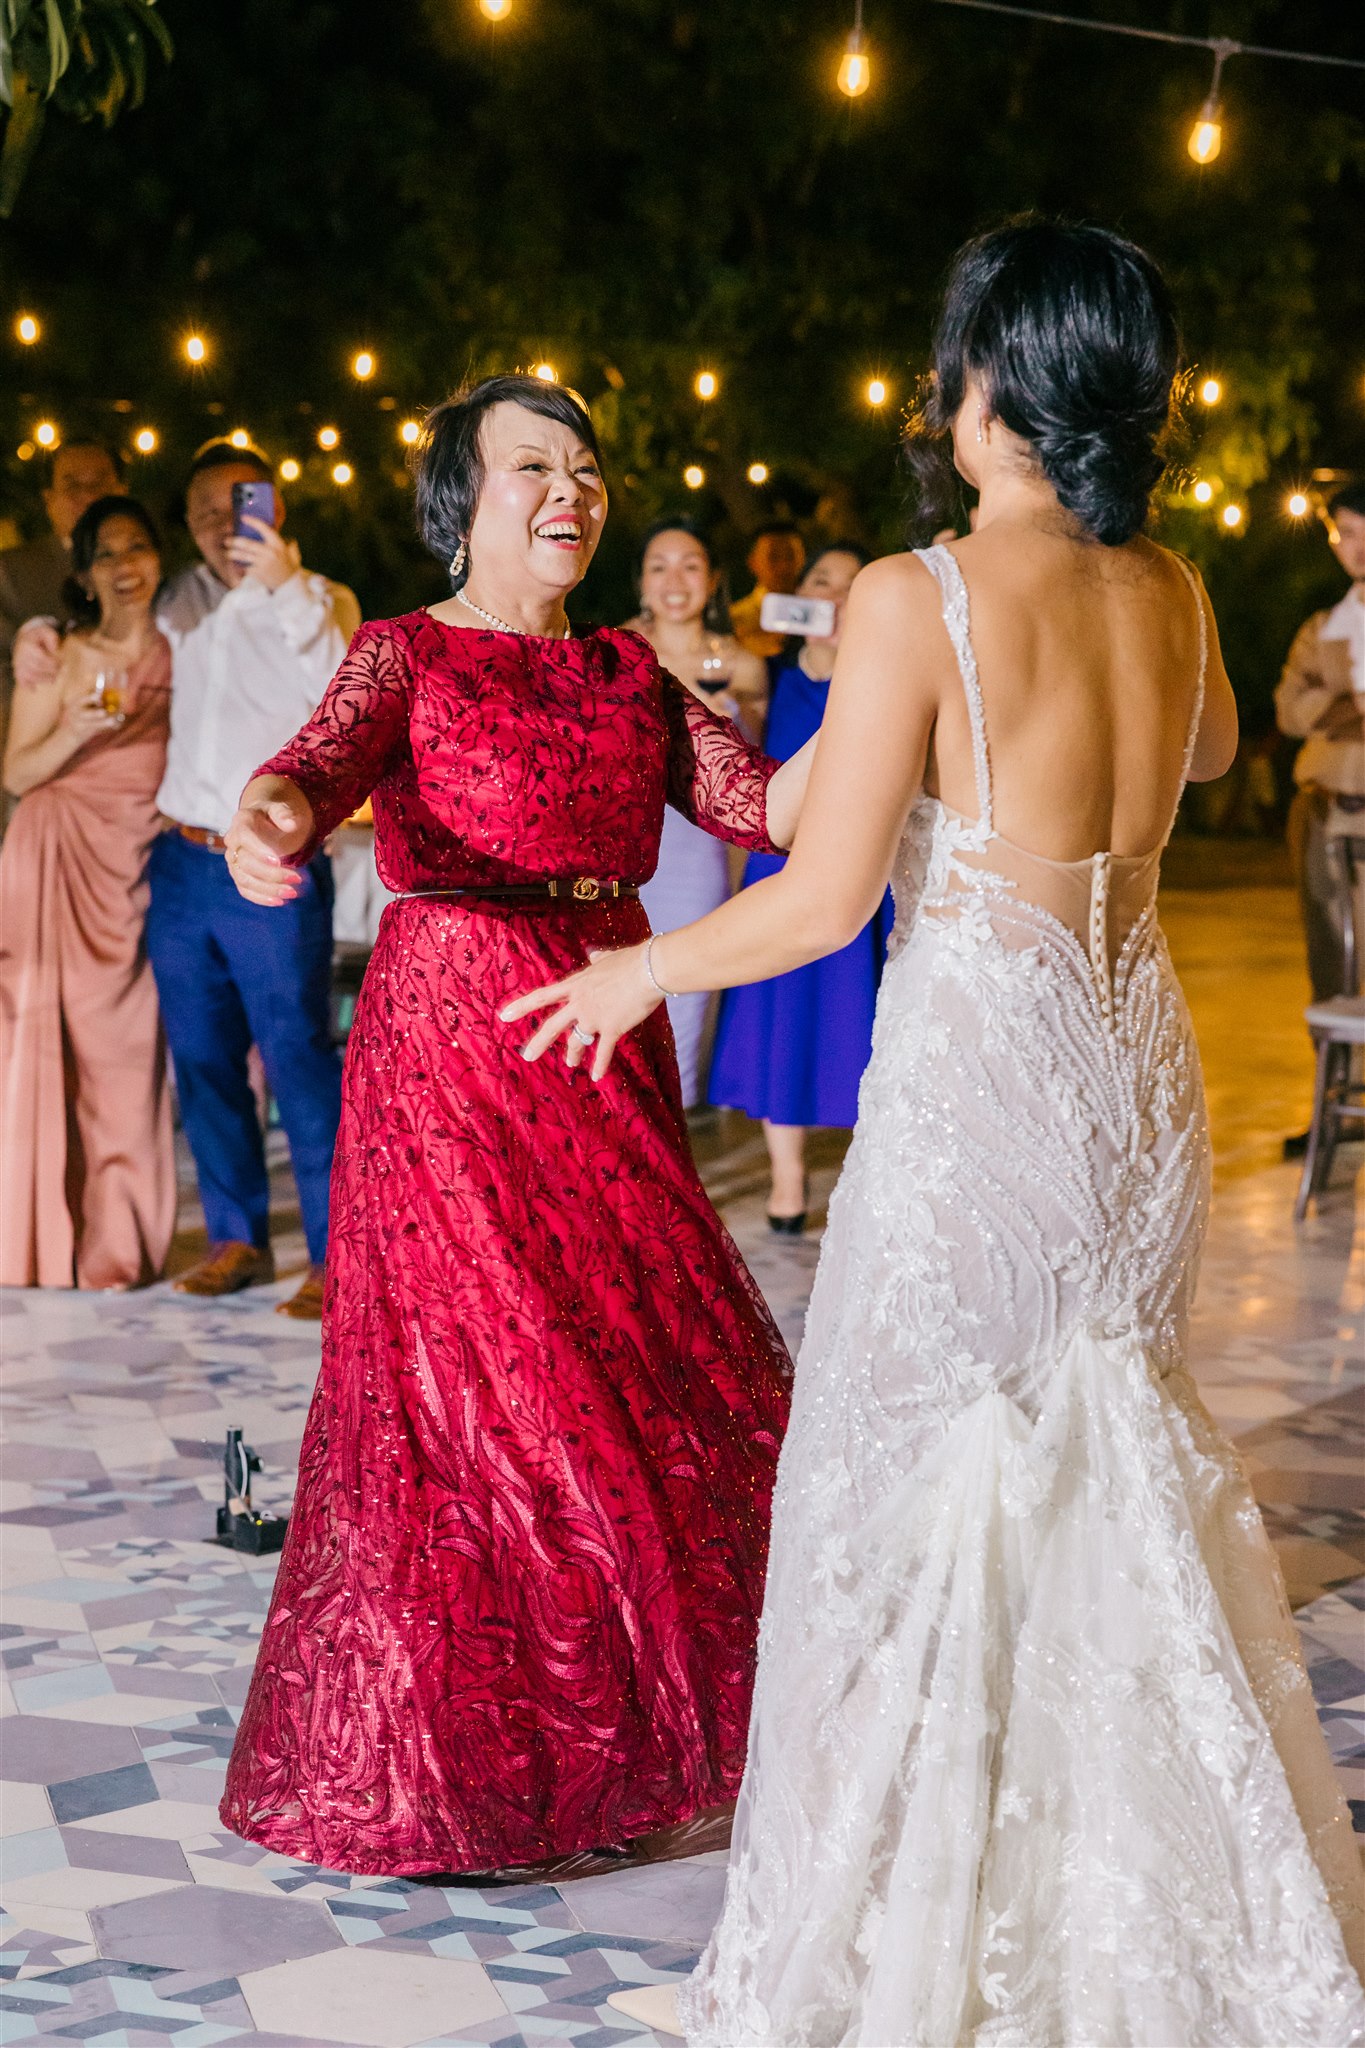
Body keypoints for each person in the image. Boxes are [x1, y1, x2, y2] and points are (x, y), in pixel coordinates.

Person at [507, 222, 1365, 2040]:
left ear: (996, 379)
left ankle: (918, 1946)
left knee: (913, 1501)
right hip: (1133, 1083)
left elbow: (819, 906)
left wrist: (632, 967)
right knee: (1096, 1466)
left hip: (988, 1086)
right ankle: (1127, 1929)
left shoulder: (925, 592)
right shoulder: (1182, 591)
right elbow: (1201, 757)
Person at [216, 374, 809, 1877]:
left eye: (587, 466)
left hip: (611, 1011)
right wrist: (268, 816)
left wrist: (903, 687)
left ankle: (646, 1735)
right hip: (449, 1034)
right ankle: (467, 1775)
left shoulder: (627, 670)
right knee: (491, 1384)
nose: (572, 488)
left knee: (649, 1360)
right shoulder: (402, 653)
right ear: (462, 504)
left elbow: (769, 804)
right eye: (532, 465)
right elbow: (312, 768)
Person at [13, 438, 359, 1317]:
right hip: (176, 861)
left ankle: (332, 1256)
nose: (218, 526)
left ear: (272, 506)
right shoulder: (178, 605)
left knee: (297, 1059)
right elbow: (105, 618)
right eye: (203, 512)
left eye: (235, 506)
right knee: (202, 1063)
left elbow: (336, 683)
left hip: (269, 867)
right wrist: (42, 636)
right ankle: (238, 1238)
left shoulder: (318, 601)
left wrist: (280, 583)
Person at [0, 496, 174, 1290]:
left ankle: (118, 1245)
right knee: (36, 1045)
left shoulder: (187, 652)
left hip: (135, 869)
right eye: (106, 554)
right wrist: (73, 728)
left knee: (126, 1051)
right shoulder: (57, 654)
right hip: (49, 857)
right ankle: (35, 1241)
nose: (125, 565)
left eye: (137, 547)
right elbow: (16, 774)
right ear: (83, 574)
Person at [709, 542, 894, 1230]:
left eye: (855, 585)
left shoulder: (889, 681)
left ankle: (869, 1177)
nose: (839, 595)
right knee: (780, 1021)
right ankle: (787, 1181)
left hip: (871, 867)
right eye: (824, 581)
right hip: (783, 865)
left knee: (868, 1026)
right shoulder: (770, 676)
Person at [630, 517, 768, 1107]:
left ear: (712, 582)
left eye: (690, 565)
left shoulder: (741, 665)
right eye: (659, 566)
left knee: (681, 1004)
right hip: (623, 853)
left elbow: (763, 763)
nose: (674, 580)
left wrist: (726, 723)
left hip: (695, 856)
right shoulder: (614, 650)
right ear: (641, 584)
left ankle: (673, 1138)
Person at [0, 438, 127, 832]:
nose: (87, 495)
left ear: (121, 493)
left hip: (123, 797)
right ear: (49, 498)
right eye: (72, 485)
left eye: (100, 483)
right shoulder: (12, 572)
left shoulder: (142, 573)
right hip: (33, 790)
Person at [1275, 483, 1365, 1017]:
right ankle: (1336, 1082)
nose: (1359, 547)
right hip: (1323, 811)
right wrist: (1352, 702)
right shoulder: (1322, 627)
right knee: (1331, 967)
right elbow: (1289, 708)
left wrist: (1333, 708)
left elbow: (1313, 705)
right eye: (1348, 534)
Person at [728, 519, 806, 660]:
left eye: (791, 556)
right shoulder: (735, 622)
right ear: (753, 563)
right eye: (773, 557)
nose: (784, 566)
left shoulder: (821, 616)